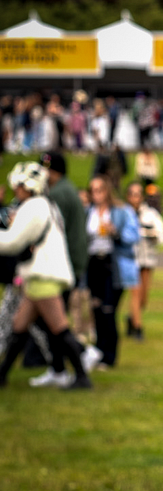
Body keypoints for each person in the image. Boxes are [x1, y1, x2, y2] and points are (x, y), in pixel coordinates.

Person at [0, 163, 91, 389]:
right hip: (42, 275)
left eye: (18, 185)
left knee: (59, 328)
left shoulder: (34, 207)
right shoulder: (45, 205)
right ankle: (2, 375)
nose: (15, 189)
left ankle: (82, 375)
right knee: (19, 327)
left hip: (43, 276)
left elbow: (12, 242)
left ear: (26, 186)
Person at [37, 151, 99, 381]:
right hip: (69, 262)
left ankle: (80, 355)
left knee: (54, 319)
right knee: (51, 318)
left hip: (62, 264)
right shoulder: (66, 189)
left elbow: (49, 230)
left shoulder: (59, 194)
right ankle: (58, 368)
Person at [85, 176, 139, 368]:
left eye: (100, 189)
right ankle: (98, 352)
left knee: (109, 310)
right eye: (93, 190)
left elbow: (133, 236)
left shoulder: (121, 212)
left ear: (107, 191)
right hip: (94, 263)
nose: (96, 194)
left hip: (112, 265)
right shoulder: (88, 212)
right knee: (96, 309)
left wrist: (115, 232)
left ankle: (110, 355)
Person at [125, 182, 163, 341]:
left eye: (138, 194)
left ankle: (131, 317)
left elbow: (161, 234)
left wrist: (150, 234)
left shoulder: (150, 214)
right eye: (132, 194)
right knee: (135, 293)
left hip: (147, 259)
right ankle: (138, 328)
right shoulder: (124, 213)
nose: (135, 198)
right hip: (131, 259)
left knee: (143, 297)